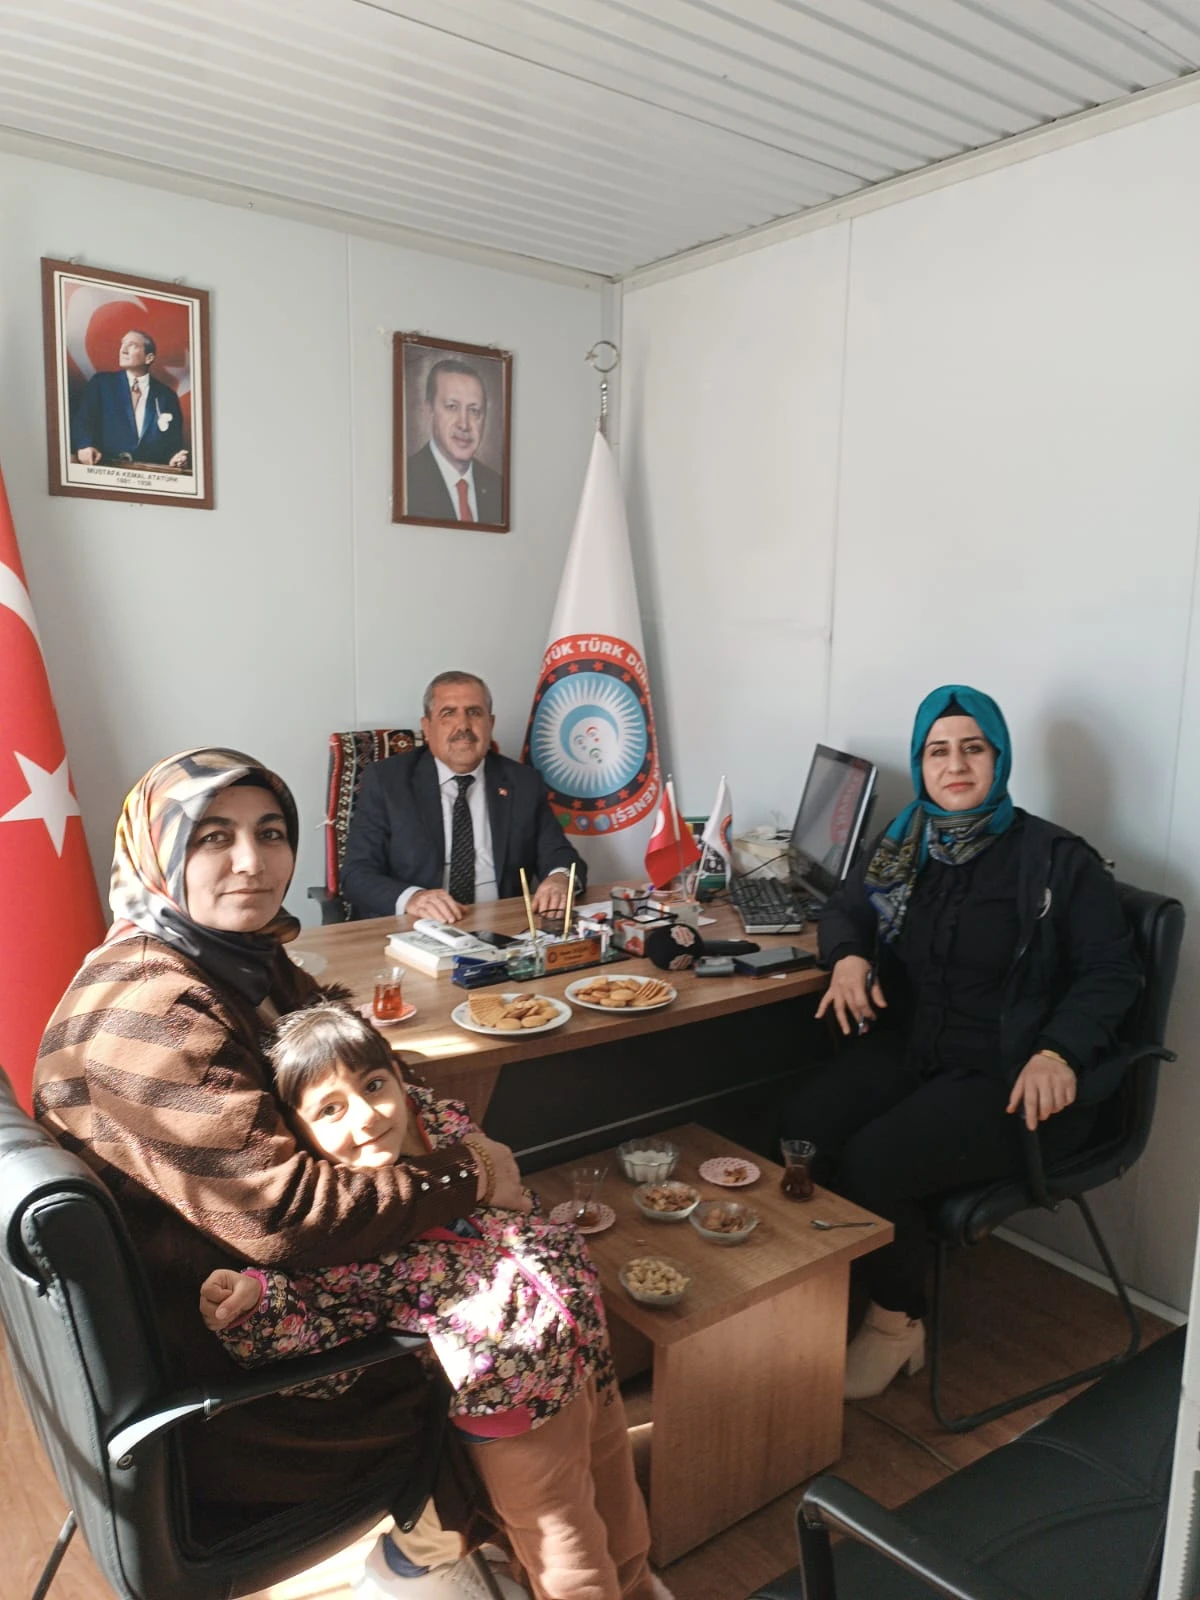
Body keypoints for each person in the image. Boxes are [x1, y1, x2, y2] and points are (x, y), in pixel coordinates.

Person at [33, 748, 531, 1599]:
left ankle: (470, 1540)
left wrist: (419, 1111)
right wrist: (469, 1172)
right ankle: (459, 1551)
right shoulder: (151, 1009)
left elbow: (339, 1045)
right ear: (159, 852)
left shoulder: (228, 957)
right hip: (245, 1388)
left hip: (226, 1314)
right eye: (213, 837)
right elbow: (290, 1217)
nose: (252, 862)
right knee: (528, 1323)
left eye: (271, 833)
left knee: (510, 1260)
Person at [199, 1002, 660, 1600]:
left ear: (398, 1078)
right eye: (330, 1109)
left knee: (623, 1516)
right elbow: (316, 1332)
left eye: (373, 1085)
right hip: (514, 1414)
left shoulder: (441, 1133)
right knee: (571, 1563)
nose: (366, 1116)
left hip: (586, 1361)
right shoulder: (342, 1234)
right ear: (299, 1132)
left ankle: (639, 1587)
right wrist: (257, 1305)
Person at [782, 685, 1141, 1401]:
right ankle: (825, 1289)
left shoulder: (1054, 860)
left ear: (998, 758)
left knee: (878, 1161)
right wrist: (847, 957)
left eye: (973, 748)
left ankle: (896, 1325)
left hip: (1010, 1070)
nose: (955, 765)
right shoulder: (907, 841)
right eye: (937, 751)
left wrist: (1058, 1051)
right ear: (921, 764)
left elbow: (1111, 972)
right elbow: (848, 907)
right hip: (918, 1047)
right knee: (802, 1127)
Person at [341, 671, 586, 923]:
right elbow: (356, 874)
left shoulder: (523, 782)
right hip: (417, 927)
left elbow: (560, 854)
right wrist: (413, 898)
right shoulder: (388, 781)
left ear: (490, 723)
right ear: (427, 727)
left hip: (503, 925)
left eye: (474, 712)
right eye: (448, 713)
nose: (463, 726)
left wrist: (560, 879)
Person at [71, 328, 189, 467]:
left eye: (132, 345)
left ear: (149, 358)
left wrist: (176, 458)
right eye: (122, 344)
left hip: (148, 473)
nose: (123, 350)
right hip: (105, 467)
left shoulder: (167, 396)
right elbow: (83, 421)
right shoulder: (102, 383)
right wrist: (84, 445)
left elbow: (173, 443)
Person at [406, 360, 503, 524]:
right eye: (452, 407)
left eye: (474, 411)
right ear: (429, 411)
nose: (464, 425)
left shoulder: (498, 486)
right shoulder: (406, 481)